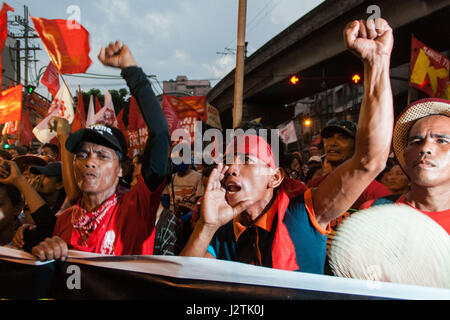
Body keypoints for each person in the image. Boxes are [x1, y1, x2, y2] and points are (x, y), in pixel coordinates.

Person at [181, 18, 394, 273]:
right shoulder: (218, 224)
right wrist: (206, 226)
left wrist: (377, 63)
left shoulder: (305, 212)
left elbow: (370, 160)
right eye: (227, 160)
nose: (231, 169)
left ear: (275, 177)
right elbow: (186, 280)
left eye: (246, 159)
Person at [29, 41, 170, 261]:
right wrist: (47, 256)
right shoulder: (64, 220)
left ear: (121, 169)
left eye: (102, 155)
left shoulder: (136, 207)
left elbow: (160, 133)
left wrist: (131, 69)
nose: (89, 162)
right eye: (82, 154)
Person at [360, 98, 450, 233]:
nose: (425, 148)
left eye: (442, 141)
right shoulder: (373, 214)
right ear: (404, 156)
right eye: (416, 141)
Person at [307, 119, 391, 210]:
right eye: (329, 138)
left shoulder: (375, 192)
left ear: (357, 144)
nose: (332, 143)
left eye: (342, 137)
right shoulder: (314, 186)